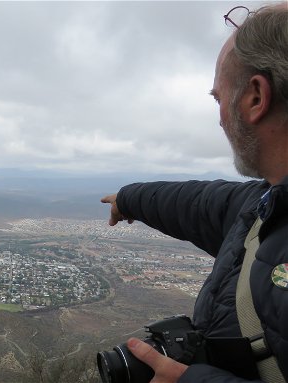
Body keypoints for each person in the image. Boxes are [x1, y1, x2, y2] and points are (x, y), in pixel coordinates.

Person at [101, 4, 288, 383]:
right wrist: (128, 198)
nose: (219, 117)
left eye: (218, 99)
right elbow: (194, 204)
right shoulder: (262, 206)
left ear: (256, 98)